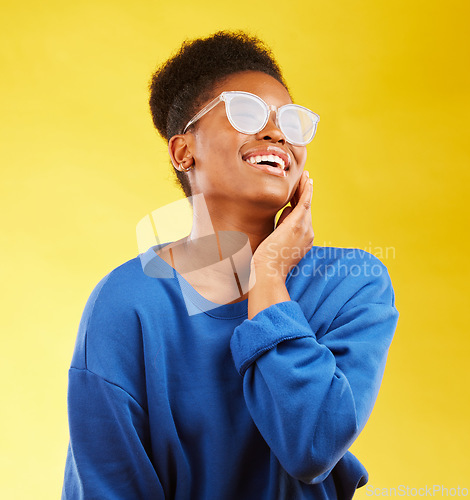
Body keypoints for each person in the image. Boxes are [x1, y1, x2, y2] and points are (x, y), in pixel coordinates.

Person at [62, 30, 400, 500]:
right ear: (184, 152)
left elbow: (311, 445)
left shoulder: (351, 285)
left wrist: (268, 276)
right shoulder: (127, 303)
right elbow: (109, 486)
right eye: (246, 112)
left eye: (292, 122)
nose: (277, 133)